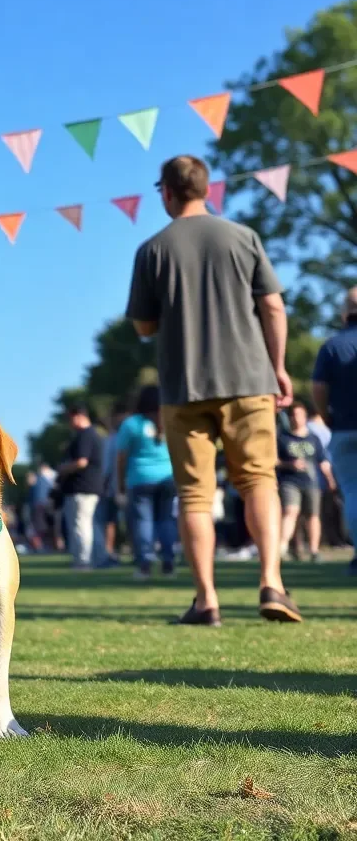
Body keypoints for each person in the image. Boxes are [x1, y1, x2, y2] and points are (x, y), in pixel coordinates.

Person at [127, 154, 299, 626]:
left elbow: (143, 325)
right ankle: (272, 584)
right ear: (206, 188)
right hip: (250, 379)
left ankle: (207, 601)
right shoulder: (244, 238)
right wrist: (279, 367)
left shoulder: (152, 249)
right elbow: (273, 307)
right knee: (259, 480)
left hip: (184, 386)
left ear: (166, 191)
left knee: (196, 496)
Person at [312, 286, 357, 573]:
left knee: (352, 492)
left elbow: (318, 387)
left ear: (344, 313)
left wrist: (325, 417)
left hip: (344, 429)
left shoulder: (332, 346)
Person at [116, 385, 178, 579]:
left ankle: (145, 563)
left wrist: (120, 484)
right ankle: (168, 561)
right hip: (168, 477)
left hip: (139, 479)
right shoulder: (170, 420)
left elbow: (121, 457)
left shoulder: (132, 424)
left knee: (144, 521)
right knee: (166, 520)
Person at [276, 400, 335, 562]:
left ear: (305, 417)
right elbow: (273, 461)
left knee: (313, 516)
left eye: (300, 415)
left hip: (311, 482)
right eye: (293, 415)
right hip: (289, 481)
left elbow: (323, 461)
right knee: (291, 511)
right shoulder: (282, 438)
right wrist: (289, 464)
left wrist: (330, 480)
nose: (297, 418)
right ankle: (282, 547)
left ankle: (314, 551)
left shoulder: (313, 438)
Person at [56, 404, 105, 569]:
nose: (69, 423)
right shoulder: (93, 434)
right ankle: (96, 558)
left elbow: (81, 461)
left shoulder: (85, 435)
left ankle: (83, 561)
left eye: (70, 419)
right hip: (89, 488)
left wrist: (63, 469)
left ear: (78, 416)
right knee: (89, 525)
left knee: (80, 525)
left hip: (82, 488)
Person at [99, 400, 131, 566]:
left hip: (120, 486)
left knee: (111, 521)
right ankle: (112, 552)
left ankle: (111, 552)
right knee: (115, 521)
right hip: (125, 485)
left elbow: (107, 467)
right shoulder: (129, 433)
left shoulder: (113, 438)